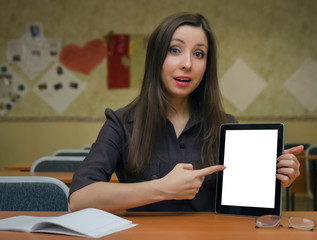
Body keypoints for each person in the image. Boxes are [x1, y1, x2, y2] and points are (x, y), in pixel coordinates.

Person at [69, 12, 302, 213]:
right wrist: (161, 189)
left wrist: (274, 177)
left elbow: (243, 206)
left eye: (198, 54)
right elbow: (79, 199)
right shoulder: (121, 122)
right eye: (175, 50)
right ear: (156, 58)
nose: (187, 63)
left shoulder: (226, 125)